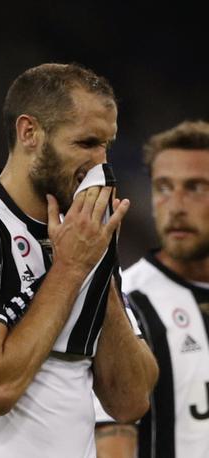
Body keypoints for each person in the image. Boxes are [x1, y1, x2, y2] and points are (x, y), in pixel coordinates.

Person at [0, 63, 159, 457]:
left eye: (107, 145)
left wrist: (98, 269)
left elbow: (131, 401)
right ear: (29, 133)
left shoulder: (86, 236)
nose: (102, 164)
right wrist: (70, 268)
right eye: (86, 143)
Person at [94, 120, 209, 458]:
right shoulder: (125, 303)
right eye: (163, 187)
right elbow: (112, 441)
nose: (175, 205)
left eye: (196, 187)